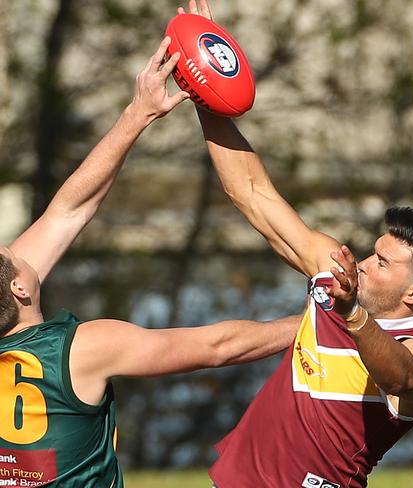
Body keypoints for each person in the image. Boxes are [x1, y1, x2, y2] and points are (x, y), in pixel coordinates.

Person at [183, 2, 413, 486]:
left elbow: (402, 379)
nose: (364, 263)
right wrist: (205, 90)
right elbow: (254, 195)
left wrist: (353, 314)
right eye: (373, 250)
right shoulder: (336, 274)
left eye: (382, 263)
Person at [0, 37, 299, 488]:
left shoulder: (14, 301)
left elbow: (69, 209)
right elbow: (216, 347)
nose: (16, 249)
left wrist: (140, 111)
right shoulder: (83, 349)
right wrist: (319, 322)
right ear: (20, 289)